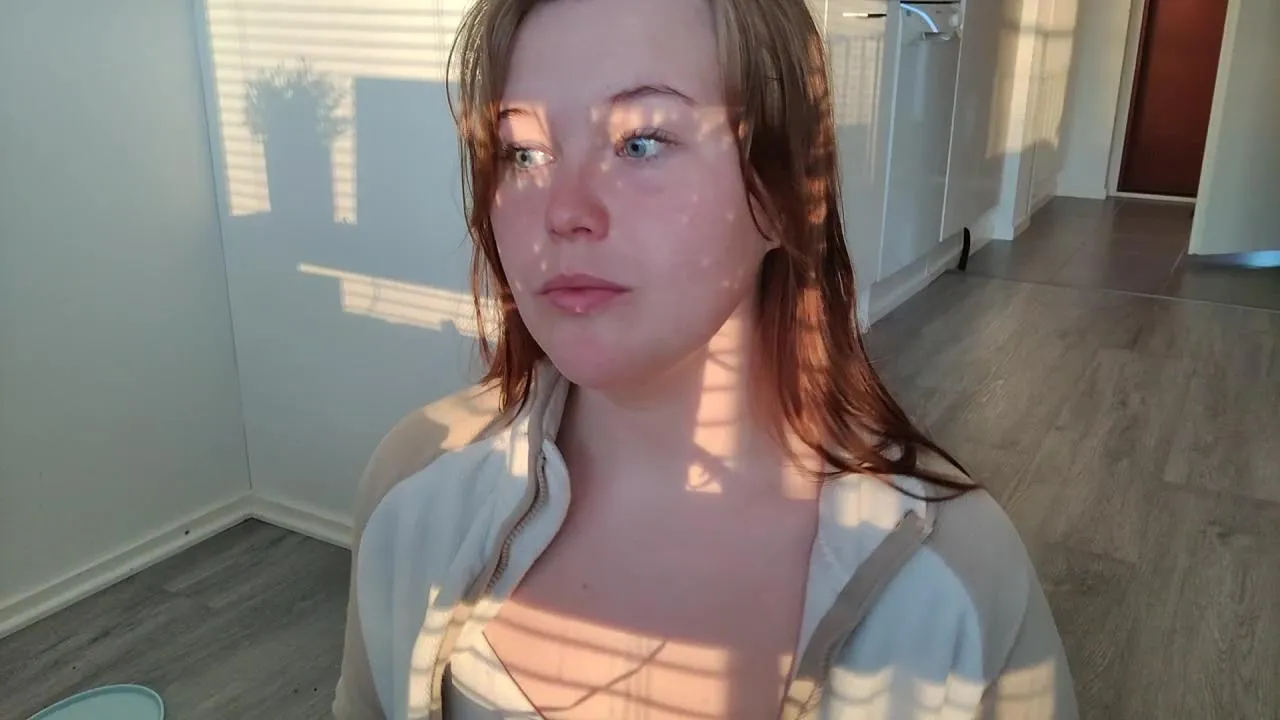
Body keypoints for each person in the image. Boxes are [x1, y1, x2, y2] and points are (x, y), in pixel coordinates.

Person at [333, 0, 1079, 717]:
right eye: (522, 153)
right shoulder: (417, 488)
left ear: (787, 193)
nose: (563, 212)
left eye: (640, 143)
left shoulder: (952, 583)